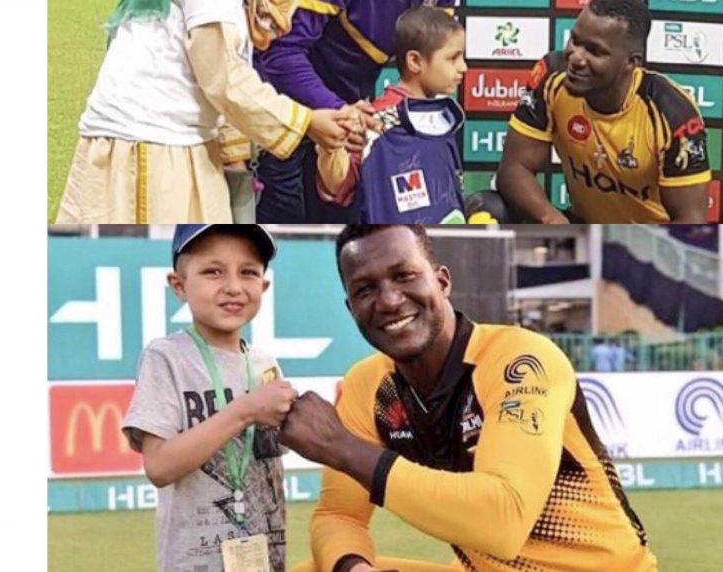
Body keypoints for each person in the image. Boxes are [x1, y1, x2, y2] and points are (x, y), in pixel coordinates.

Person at [280, 225, 658, 572]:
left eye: (404, 275)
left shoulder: (519, 360)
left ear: (442, 281)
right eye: (365, 289)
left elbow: (503, 520)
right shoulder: (369, 386)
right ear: (351, 309)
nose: (390, 300)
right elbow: (339, 516)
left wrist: (341, 447)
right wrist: (354, 569)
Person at [55, 0, 364, 224]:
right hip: (150, 149)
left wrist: (236, 152)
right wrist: (306, 122)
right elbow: (221, 73)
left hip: (165, 143)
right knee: (172, 267)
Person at [253, 0, 496, 223]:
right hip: (287, 109)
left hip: (351, 113)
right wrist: (336, 109)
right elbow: (278, 54)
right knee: (290, 229)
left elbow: (427, 57)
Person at [122, 224, 298, 571]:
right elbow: (158, 467)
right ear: (179, 285)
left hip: (267, 560)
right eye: (213, 272)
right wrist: (245, 411)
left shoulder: (264, 365)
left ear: (263, 286)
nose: (233, 287)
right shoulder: (166, 357)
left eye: (248, 272)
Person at [496, 0, 711, 224]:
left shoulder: (672, 112)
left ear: (632, 62)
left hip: (646, 240)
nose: (576, 58)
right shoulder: (552, 77)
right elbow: (514, 168)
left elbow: (690, 221)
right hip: (581, 226)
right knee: (489, 207)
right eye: (575, 41)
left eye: (595, 51)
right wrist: (552, 220)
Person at [316, 6, 468, 224]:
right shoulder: (374, 121)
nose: (464, 67)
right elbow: (338, 187)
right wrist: (330, 148)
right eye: (453, 59)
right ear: (415, 61)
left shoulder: (444, 117)